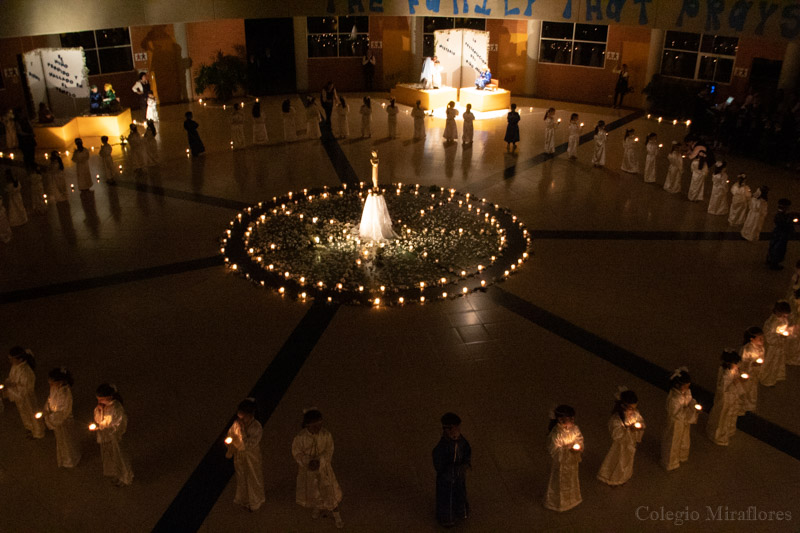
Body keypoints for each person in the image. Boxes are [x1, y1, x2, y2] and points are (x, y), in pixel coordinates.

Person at [292, 409, 344, 529]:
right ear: (307, 424)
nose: (318, 428)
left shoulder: (326, 435)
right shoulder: (300, 438)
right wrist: (307, 461)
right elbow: (296, 453)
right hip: (308, 471)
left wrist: (320, 461)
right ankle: (318, 507)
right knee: (314, 490)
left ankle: (336, 515)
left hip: (324, 469)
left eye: (320, 424)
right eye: (314, 425)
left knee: (329, 490)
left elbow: (329, 450)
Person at [597, 388, 644, 486]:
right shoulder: (616, 419)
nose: (633, 411)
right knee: (617, 461)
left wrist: (639, 427)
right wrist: (628, 430)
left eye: (635, 408)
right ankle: (612, 478)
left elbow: (641, 422)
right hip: (620, 446)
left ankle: (623, 476)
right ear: (623, 406)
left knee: (627, 461)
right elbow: (616, 434)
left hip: (630, 444)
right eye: (631, 408)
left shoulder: (635, 414)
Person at [225, 398, 265, 511]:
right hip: (240, 457)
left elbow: (248, 445)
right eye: (239, 417)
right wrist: (230, 441)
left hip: (251, 457)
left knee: (253, 477)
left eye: (243, 417)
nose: (240, 420)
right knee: (242, 477)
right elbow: (231, 434)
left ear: (251, 414)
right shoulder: (236, 424)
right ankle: (244, 499)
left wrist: (241, 432)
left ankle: (255, 502)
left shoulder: (256, 427)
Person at [433, 412, 471, 527]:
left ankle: (461, 511)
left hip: (458, 475)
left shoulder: (462, 442)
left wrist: (465, 463)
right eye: (453, 430)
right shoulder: (442, 447)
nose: (456, 432)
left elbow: (467, 451)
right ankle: (446, 517)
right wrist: (445, 470)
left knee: (460, 493)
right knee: (446, 497)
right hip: (447, 478)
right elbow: (438, 461)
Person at [91, 383, 133, 486]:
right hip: (106, 437)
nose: (99, 402)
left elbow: (119, 424)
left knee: (119, 457)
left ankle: (125, 478)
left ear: (109, 397)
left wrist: (109, 432)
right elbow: (98, 420)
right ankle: (116, 474)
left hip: (115, 438)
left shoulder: (117, 408)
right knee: (110, 457)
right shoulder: (102, 406)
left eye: (101, 399)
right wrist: (100, 411)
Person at [544, 405, 583, 512]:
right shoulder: (556, 434)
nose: (572, 421)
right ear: (561, 420)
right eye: (570, 419)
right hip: (561, 464)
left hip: (572, 462)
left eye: (573, 418)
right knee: (559, 483)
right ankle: (558, 503)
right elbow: (554, 450)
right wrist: (568, 449)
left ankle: (572, 499)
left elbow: (579, 439)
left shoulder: (575, 429)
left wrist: (578, 446)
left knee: (572, 480)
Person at [660, 368, 699, 471]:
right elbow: (677, 414)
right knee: (673, 440)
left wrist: (693, 406)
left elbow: (690, 401)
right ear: (678, 385)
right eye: (686, 386)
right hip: (676, 423)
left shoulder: (686, 392)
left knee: (684, 439)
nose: (687, 388)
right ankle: (670, 462)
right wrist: (691, 412)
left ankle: (681, 456)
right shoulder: (674, 399)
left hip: (684, 422)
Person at [706, 350, 747, 446]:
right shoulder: (725, 375)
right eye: (736, 363)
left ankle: (729, 430)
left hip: (732, 398)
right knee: (722, 416)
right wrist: (735, 383)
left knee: (730, 415)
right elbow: (723, 390)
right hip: (725, 400)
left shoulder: (733, 370)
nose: (738, 365)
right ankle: (718, 436)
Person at [42, 367, 81, 468]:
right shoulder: (54, 388)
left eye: (52, 382)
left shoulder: (65, 394)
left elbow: (63, 412)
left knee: (67, 440)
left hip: (64, 421)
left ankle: (71, 460)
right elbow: (50, 399)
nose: (50, 383)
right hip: (55, 419)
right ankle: (64, 459)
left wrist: (49, 417)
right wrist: (46, 409)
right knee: (60, 441)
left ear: (60, 382)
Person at [4, 347, 44, 438]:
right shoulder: (15, 367)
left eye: (12, 359)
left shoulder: (26, 372)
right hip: (19, 396)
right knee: (23, 413)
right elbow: (11, 378)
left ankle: (38, 432)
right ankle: (29, 428)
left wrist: (10, 388)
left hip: (27, 397)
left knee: (32, 413)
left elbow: (26, 389)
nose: (10, 361)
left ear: (20, 359)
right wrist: (8, 382)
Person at [760, 300, 792, 386]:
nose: (785, 317)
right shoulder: (771, 323)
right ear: (779, 312)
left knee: (777, 362)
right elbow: (769, 337)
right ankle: (767, 379)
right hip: (772, 348)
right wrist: (780, 337)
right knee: (770, 363)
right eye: (784, 315)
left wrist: (785, 334)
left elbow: (785, 328)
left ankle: (775, 376)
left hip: (779, 346)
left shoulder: (783, 320)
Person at [766, 199, 797, 270]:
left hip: (777, 233)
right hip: (782, 234)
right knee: (779, 248)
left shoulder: (780, 214)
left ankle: (770, 259)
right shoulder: (782, 215)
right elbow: (785, 224)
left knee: (773, 245)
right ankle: (774, 263)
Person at [739, 326, 765, 413]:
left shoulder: (761, 348)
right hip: (748, 373)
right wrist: (752, 364)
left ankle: (749, 406)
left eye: (762, 338)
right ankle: (741, 406)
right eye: (759, 338)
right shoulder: (747, 349)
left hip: (754, 374)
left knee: (752, 390)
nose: (762, 340)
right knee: (745, 390)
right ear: (752, 339)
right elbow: (743, 362)